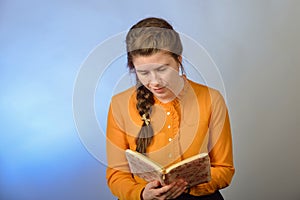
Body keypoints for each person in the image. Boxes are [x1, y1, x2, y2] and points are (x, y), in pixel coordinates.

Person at [106, 17, 234, 200]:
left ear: (178, 60)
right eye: (143, 73)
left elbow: (224, 169)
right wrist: (142, 194)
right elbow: (116, 175)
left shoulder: (211, 99)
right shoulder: (119, 104)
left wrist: (187, 188)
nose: (155, 82)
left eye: (162, 69)